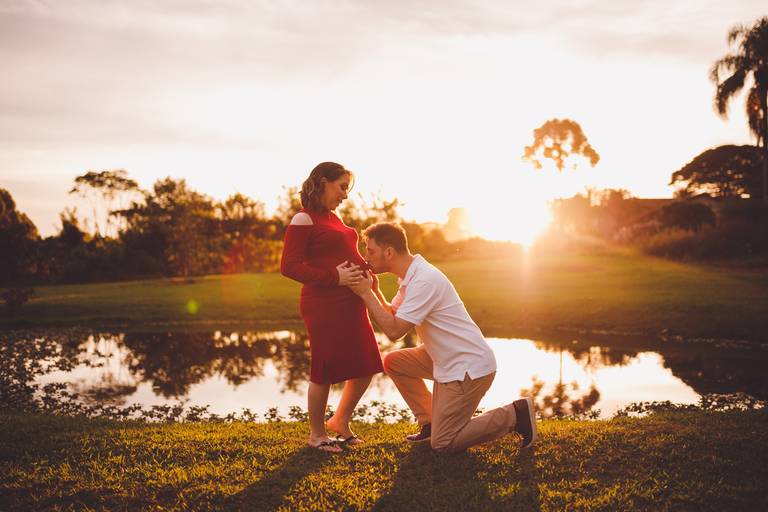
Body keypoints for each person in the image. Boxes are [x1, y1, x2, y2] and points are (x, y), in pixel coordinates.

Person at [347, 222, 537, 453]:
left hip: (468, 367)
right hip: (444, 358)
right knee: (394, 363)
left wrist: (366, 294)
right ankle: (429, 423)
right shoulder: (411, 276)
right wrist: (375, 292)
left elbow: (395, 331)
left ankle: (515, 414)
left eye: (370, 250)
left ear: (389, 252)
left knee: (443, 443)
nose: (367, 257)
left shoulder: (424, 280)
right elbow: (394, 314)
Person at [280, 162, 384, 453]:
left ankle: (340, 422)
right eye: (341, 187)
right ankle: (317, 435)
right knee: (323, 368)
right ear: (323, 182)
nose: (345, 196)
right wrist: (335, 277)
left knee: (367, 363)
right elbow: (289, 266)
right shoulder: (304, 219)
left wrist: (368, 271)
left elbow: (343, 252)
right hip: (324, 304)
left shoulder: (333, 218)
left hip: (351, 302)